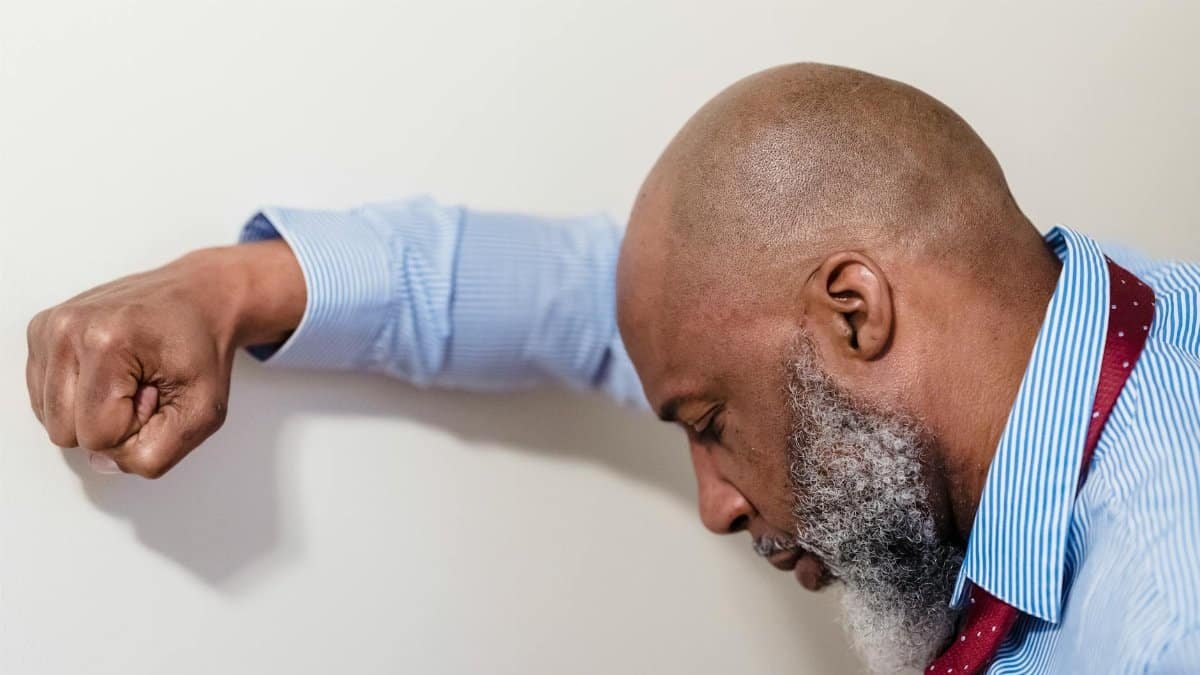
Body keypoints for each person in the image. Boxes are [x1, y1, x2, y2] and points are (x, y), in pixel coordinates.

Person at [24, 63, 1200, 673]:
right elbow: (619, 299)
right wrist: (232, 289)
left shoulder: (1162, 629)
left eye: (708, 424)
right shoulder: (1053, 320)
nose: (716, 501)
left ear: (856, 311)